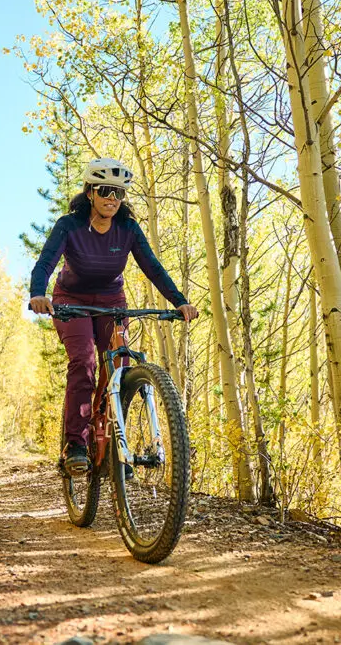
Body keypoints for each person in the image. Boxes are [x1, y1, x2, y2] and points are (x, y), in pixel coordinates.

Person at [29, 158, 199, 475]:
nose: (112, 198)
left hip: (111, 302)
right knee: (84, 361)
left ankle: (111, 447)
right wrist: (39, 293)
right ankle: (76, 445)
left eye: (118, 193)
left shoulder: (127, 229)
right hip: (72, 301)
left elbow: (153, 267)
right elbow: (46, 261)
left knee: (119, 370)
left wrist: (179, 301)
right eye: (105, 190)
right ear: (90, 192)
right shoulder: (70, 225)